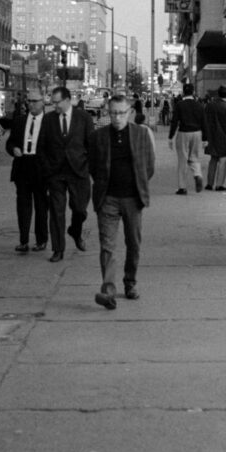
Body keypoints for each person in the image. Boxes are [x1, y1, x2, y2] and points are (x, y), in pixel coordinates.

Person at [88, 93, 155, 310]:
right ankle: (108, 290)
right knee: (107, 245)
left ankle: (130, 282)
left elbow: (149, 165)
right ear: (108, 113)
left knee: (133, 244)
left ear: (130, 113)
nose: (117, 118)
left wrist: (139, 185)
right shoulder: (99, 136)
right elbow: (93, 166)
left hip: (133, 198)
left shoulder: (140, 134)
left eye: (121, 113)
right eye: (113, 113)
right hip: (107, 198)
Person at [36, 86, 94, 262]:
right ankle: (58, 249)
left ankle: (75, 231)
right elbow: (41, 146)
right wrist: (47, 169)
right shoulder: (48, 119)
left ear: (68, 100)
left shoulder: (83, 118)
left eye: (57, 102)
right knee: (56, 212)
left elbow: (91, 144)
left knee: (80, 209)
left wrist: (89, 167)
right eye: (52, 103)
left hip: (78, 171)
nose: (55, 106)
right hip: (56, 173)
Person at [2, 85, 49, 254]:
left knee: (41, 205)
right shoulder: (20, 121)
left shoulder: (49, 122)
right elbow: (10, 142)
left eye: (35, 101)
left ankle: (41, 239)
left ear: (43, 102)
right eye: (29, 101)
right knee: (23, 205)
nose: (31, 105)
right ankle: (23, 240)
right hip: (22, 166)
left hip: (41, 168)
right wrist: (13, 149)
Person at [168, 82, 206, 194]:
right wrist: (205, 138)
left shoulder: (180, 105)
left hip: (183, 132)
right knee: (194, 157)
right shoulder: (199, 105)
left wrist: (170, 137)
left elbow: (174, 121)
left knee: (182, 159)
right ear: (193, 92)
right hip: (197, 132)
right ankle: (197, 174)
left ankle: (182, 187)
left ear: (184, 92)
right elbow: (204, 121)